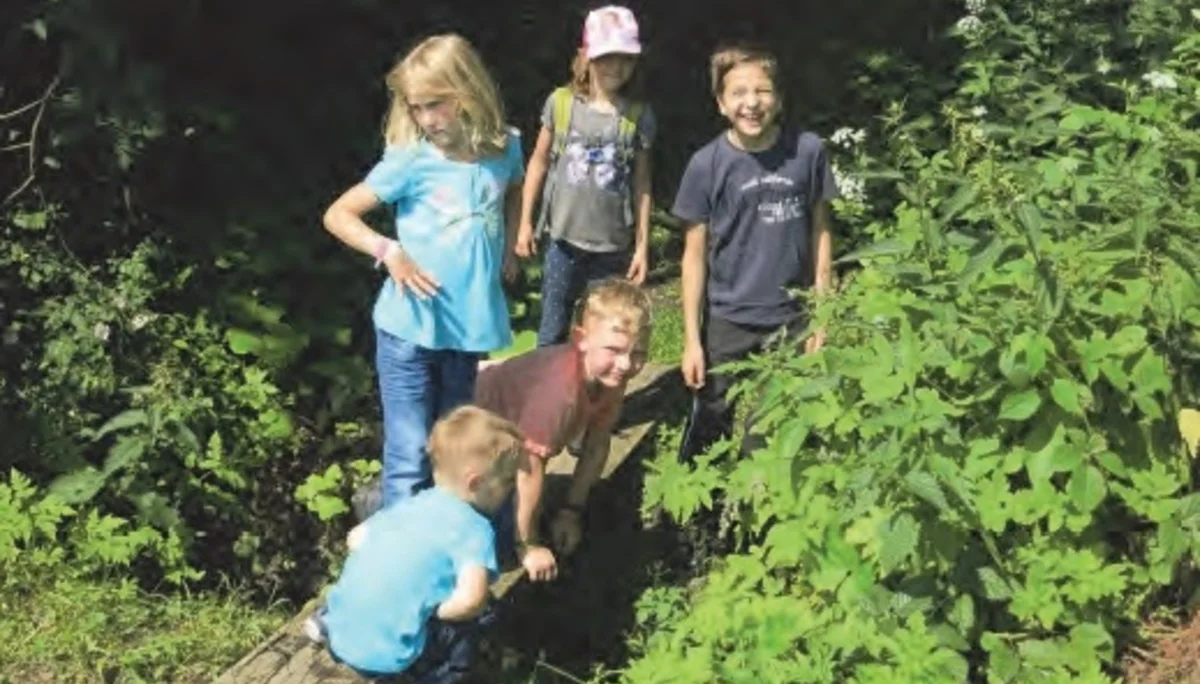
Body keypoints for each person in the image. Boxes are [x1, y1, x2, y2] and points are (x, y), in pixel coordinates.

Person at [322, 34, 524, 510]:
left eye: (437, 105)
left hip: (465, 330)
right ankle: (400, 562)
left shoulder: (504, 146)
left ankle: (447, 547)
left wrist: (512, 244)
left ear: (468, 91)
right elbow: (338, 214)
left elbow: (514, 188)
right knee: (410, 452)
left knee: (454, 449)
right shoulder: (410, 161)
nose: (426, 119)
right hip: (409, 329)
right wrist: (388, 251)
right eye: (416, 107)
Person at [672, 42, 838, 465]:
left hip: (792, 319)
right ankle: (701, 519)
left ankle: (765, 514)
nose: (751, 103)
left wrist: (823, 314)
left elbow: (821, 233)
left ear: (778, 98)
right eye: (738, 93)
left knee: (777, 431)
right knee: (712, 425)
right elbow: (692, 258)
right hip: (728, 321)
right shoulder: (706, 165)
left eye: (762, 91)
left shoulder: (807, 152)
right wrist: (692, 339)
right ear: (721, 104)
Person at [305, 406, 524, 682]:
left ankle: (324, 619)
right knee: (483, 614)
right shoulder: (475, 529)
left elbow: (355, 539)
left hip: (342, 638)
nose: (512, 488)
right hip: (392, 658)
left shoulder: (412, 504)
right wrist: (436, 609)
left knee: (377, 582)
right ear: (476, 483)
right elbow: (471, 601)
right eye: (507, 481)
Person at [475, 278, 651, 582]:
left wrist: (571, 510)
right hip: (468, 427)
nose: (625, 365)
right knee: (494, 547)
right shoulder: (558, 394)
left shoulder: (610, 378)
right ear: (580, 338)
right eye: (614, 349)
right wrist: (528, 545)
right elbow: (529, 469)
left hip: (510, 441)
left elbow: (597, 444)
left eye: (638, 353)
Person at [515, 5, 657, 348]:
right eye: (607, 56)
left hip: (612, 248)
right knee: (552, 328)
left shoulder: (638, 116)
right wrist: (524, 222)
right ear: (587, 56)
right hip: (562, 242)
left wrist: (642, 246)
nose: (616, 67)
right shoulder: (561, 104)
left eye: (625, 58)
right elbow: (538, 162)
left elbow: (642, 185)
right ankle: (547, 397)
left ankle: (594, 398)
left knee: (604, 332)